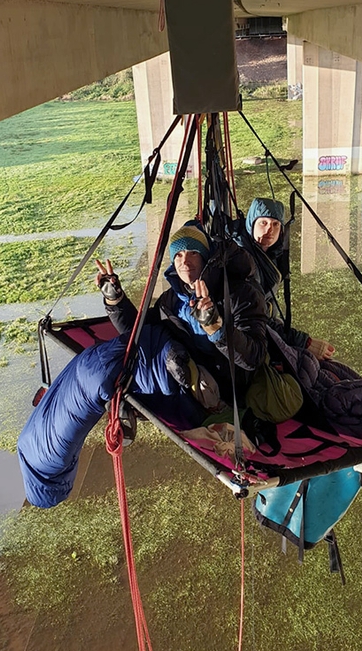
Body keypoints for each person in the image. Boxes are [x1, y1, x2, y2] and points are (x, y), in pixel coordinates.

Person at [17, 319, 218, 509]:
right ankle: (165, 355)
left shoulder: (56, 461)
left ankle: (173, 366)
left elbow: (75, 420)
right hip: (86, 363)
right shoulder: (26, 444)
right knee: (136, 357)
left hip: (100, 381)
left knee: (176, 410)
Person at [96, 222, 269, 405]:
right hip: (192, 386)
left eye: (193, 253)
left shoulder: (240, 293)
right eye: (178, 255)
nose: (184, 262)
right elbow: (137, 332)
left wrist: (215, 325)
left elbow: (254, 357)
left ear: (205, 257)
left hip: (233, 390)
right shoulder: (171, 300)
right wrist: (115, 299)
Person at [239, 197, 336, 361]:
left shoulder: (269, 254)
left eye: (276, 224)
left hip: (270, 325)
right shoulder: (244, 262)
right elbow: (256, 318)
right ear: (251, 223)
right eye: (263, 222)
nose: (270, 229)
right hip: (253, 339)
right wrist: (304, 342)